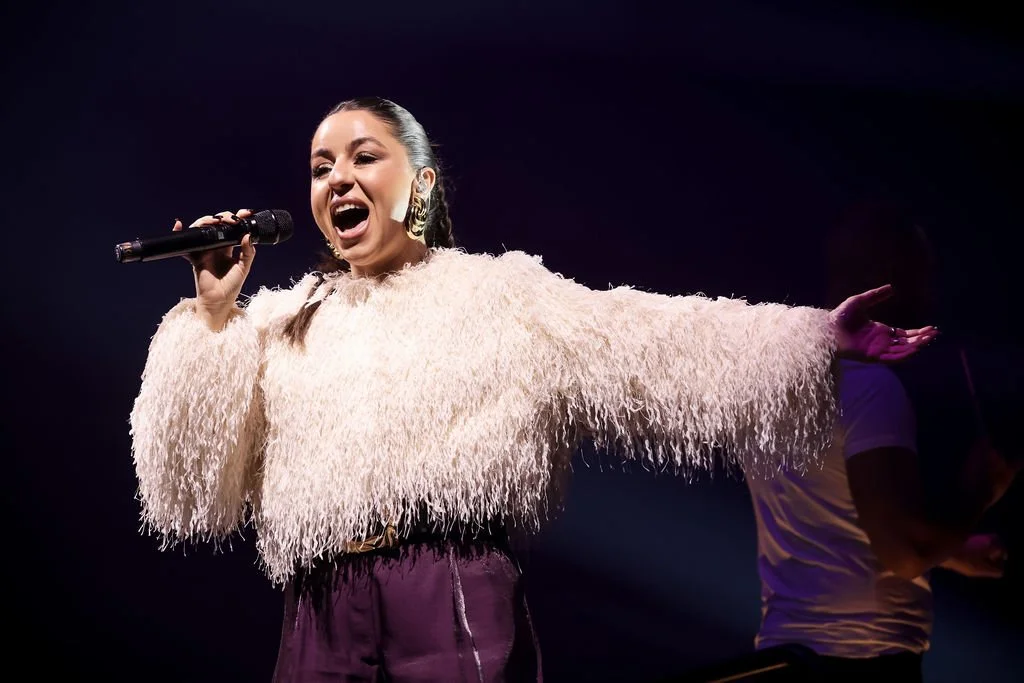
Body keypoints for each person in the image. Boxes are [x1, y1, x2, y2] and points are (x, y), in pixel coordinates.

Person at [128, 98, 935, 682]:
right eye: (320, 167)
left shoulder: (502, 296)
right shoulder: (279, 322)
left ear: (421, 182)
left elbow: (645, 334)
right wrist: (213, 313)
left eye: (363, 156)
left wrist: (813, 337)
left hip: (448, 593)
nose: (338, 177)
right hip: (319, 610)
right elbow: (185, 483)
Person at [744, 202, 1019, 682]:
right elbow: (904, 553)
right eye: (920, 273)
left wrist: (953, 551)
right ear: (883, 279)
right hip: (863, 662)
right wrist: (981, 491)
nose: (930, 292)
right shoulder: (870, 389)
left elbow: (833, 525)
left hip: (788, 658)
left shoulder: (771, 388)